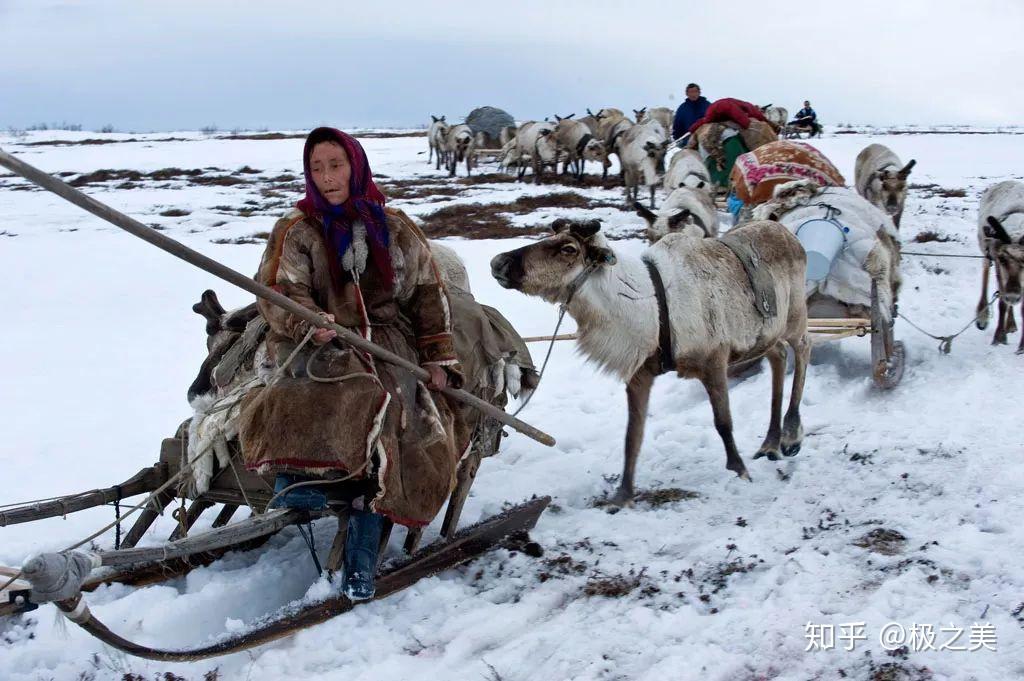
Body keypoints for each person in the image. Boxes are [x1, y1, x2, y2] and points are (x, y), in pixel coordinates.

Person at [239, 127, 466, 601]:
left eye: (335, 165)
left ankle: (362, 556)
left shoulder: (396, 227)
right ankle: (294, 479)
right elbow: (279, 288)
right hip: (315, 337)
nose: (326, 177)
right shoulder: (296, 229)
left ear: (356, 165)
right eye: (316, 168)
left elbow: (428, 292)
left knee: (395, 416)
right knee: (301, 384)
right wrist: (308, 321)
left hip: (387, 342)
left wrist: (437, 354)